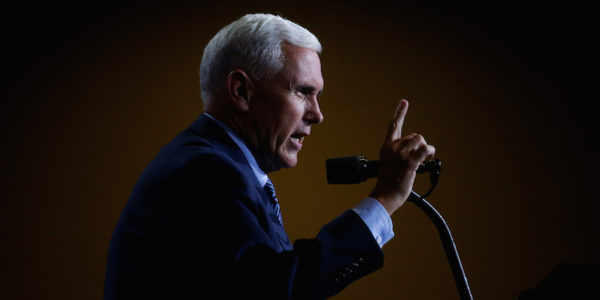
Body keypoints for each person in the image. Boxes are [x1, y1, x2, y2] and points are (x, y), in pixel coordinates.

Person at [103, 13, 435, 299]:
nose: (317, 115)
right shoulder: (205, 171)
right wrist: (386, 197)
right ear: (241, 91)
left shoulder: (222, 166)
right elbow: (276, 288)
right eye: (303, 92)